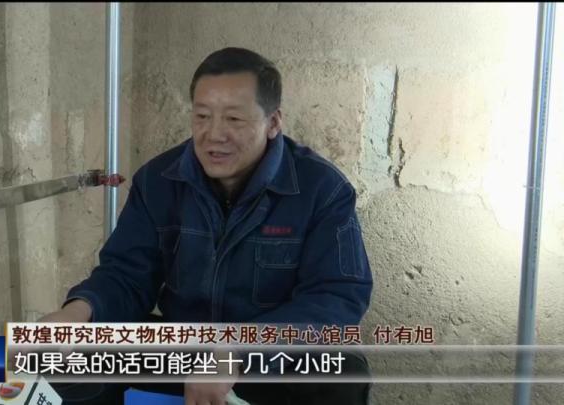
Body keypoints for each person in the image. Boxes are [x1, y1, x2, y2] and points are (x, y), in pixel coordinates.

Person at [41, 47, 373, 405]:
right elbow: (126, 276)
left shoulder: (322, 190)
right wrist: (77, 313)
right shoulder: (158, 181)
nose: (214, 134)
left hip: (269, 360)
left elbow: (335, 297)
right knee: (69, 358)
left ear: (273, 122)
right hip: (184, 353)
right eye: (202, 116)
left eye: (234, 119)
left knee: (340, 372)